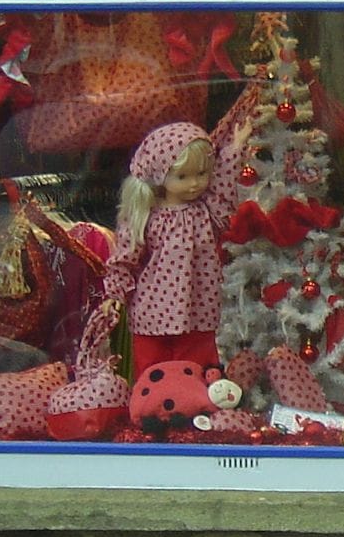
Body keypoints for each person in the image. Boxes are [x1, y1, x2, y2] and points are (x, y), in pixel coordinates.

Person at [102, 105, 253, 375]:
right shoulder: (146, 215)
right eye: (182, 176)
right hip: (152, 313)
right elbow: (125, 258)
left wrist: (235, 149)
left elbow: (224, 192)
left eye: (201, 174)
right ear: (159, 174)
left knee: (197, 373)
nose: (194, 183)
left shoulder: (207, 211)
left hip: (199, 312)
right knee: (152, 374)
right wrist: (115, 294)